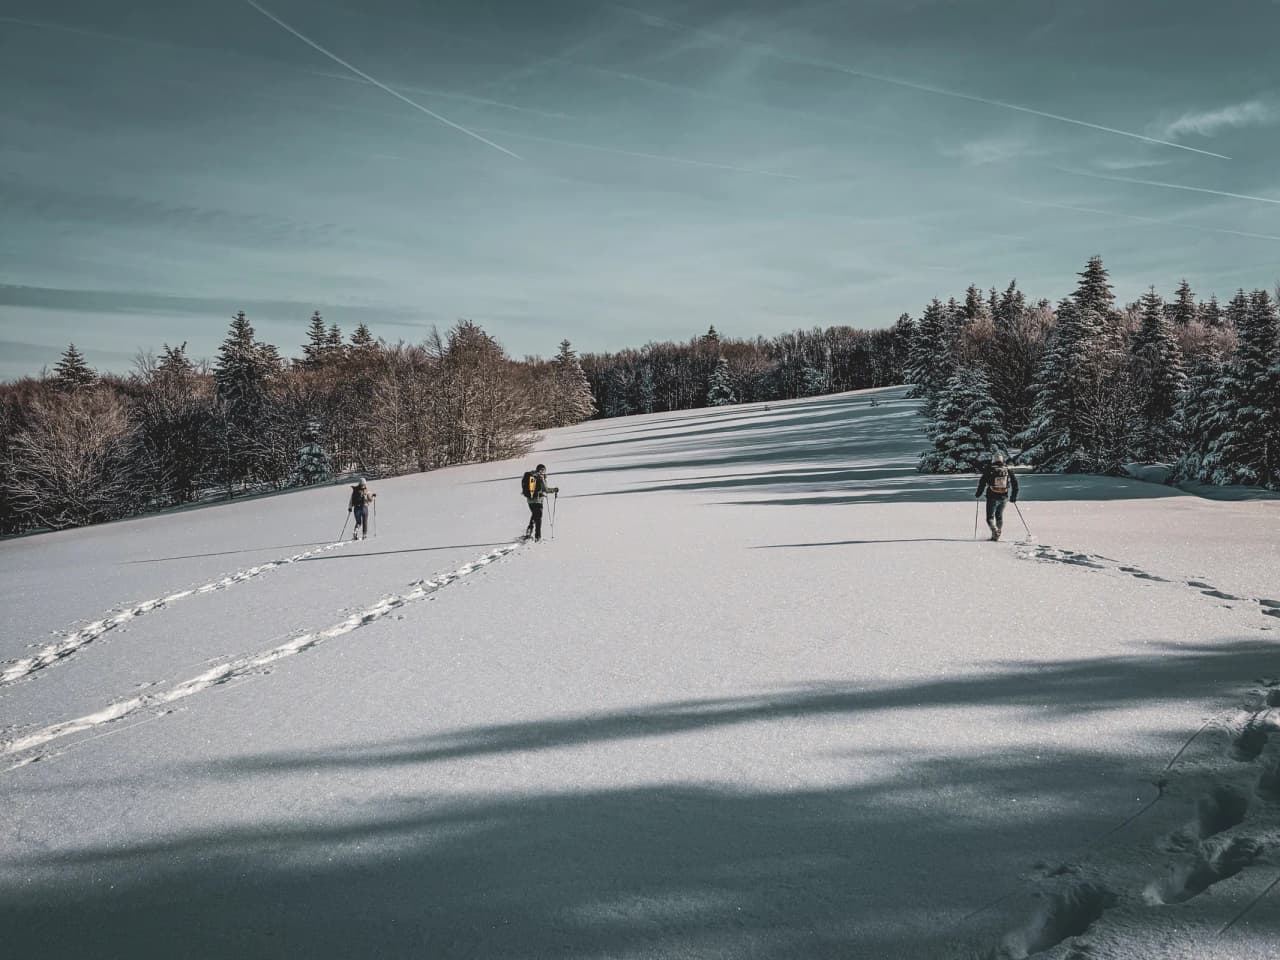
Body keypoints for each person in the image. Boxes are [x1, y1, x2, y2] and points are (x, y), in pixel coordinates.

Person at [975, 453, 1018, 541]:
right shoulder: (1007, 470)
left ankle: (995, 531)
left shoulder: (989, 469)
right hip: (1004, 497)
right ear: (1002, 460)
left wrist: (978, 493)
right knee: (999, 516)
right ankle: (996, 535)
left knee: (990, 517)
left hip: (992, 496)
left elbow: (982, 482)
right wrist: (1013, 496)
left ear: (993, 460)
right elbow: (1015, 484)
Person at [520, 463, 559, 542]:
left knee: (534, 515)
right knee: (538, 518)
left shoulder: (530, 476)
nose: (544, 472)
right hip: (538, 500)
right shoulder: (540, 478)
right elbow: (546, 490)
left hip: (530, 500)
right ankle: (538, 536)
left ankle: (529, 530)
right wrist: (554, 490)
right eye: (543, 470)